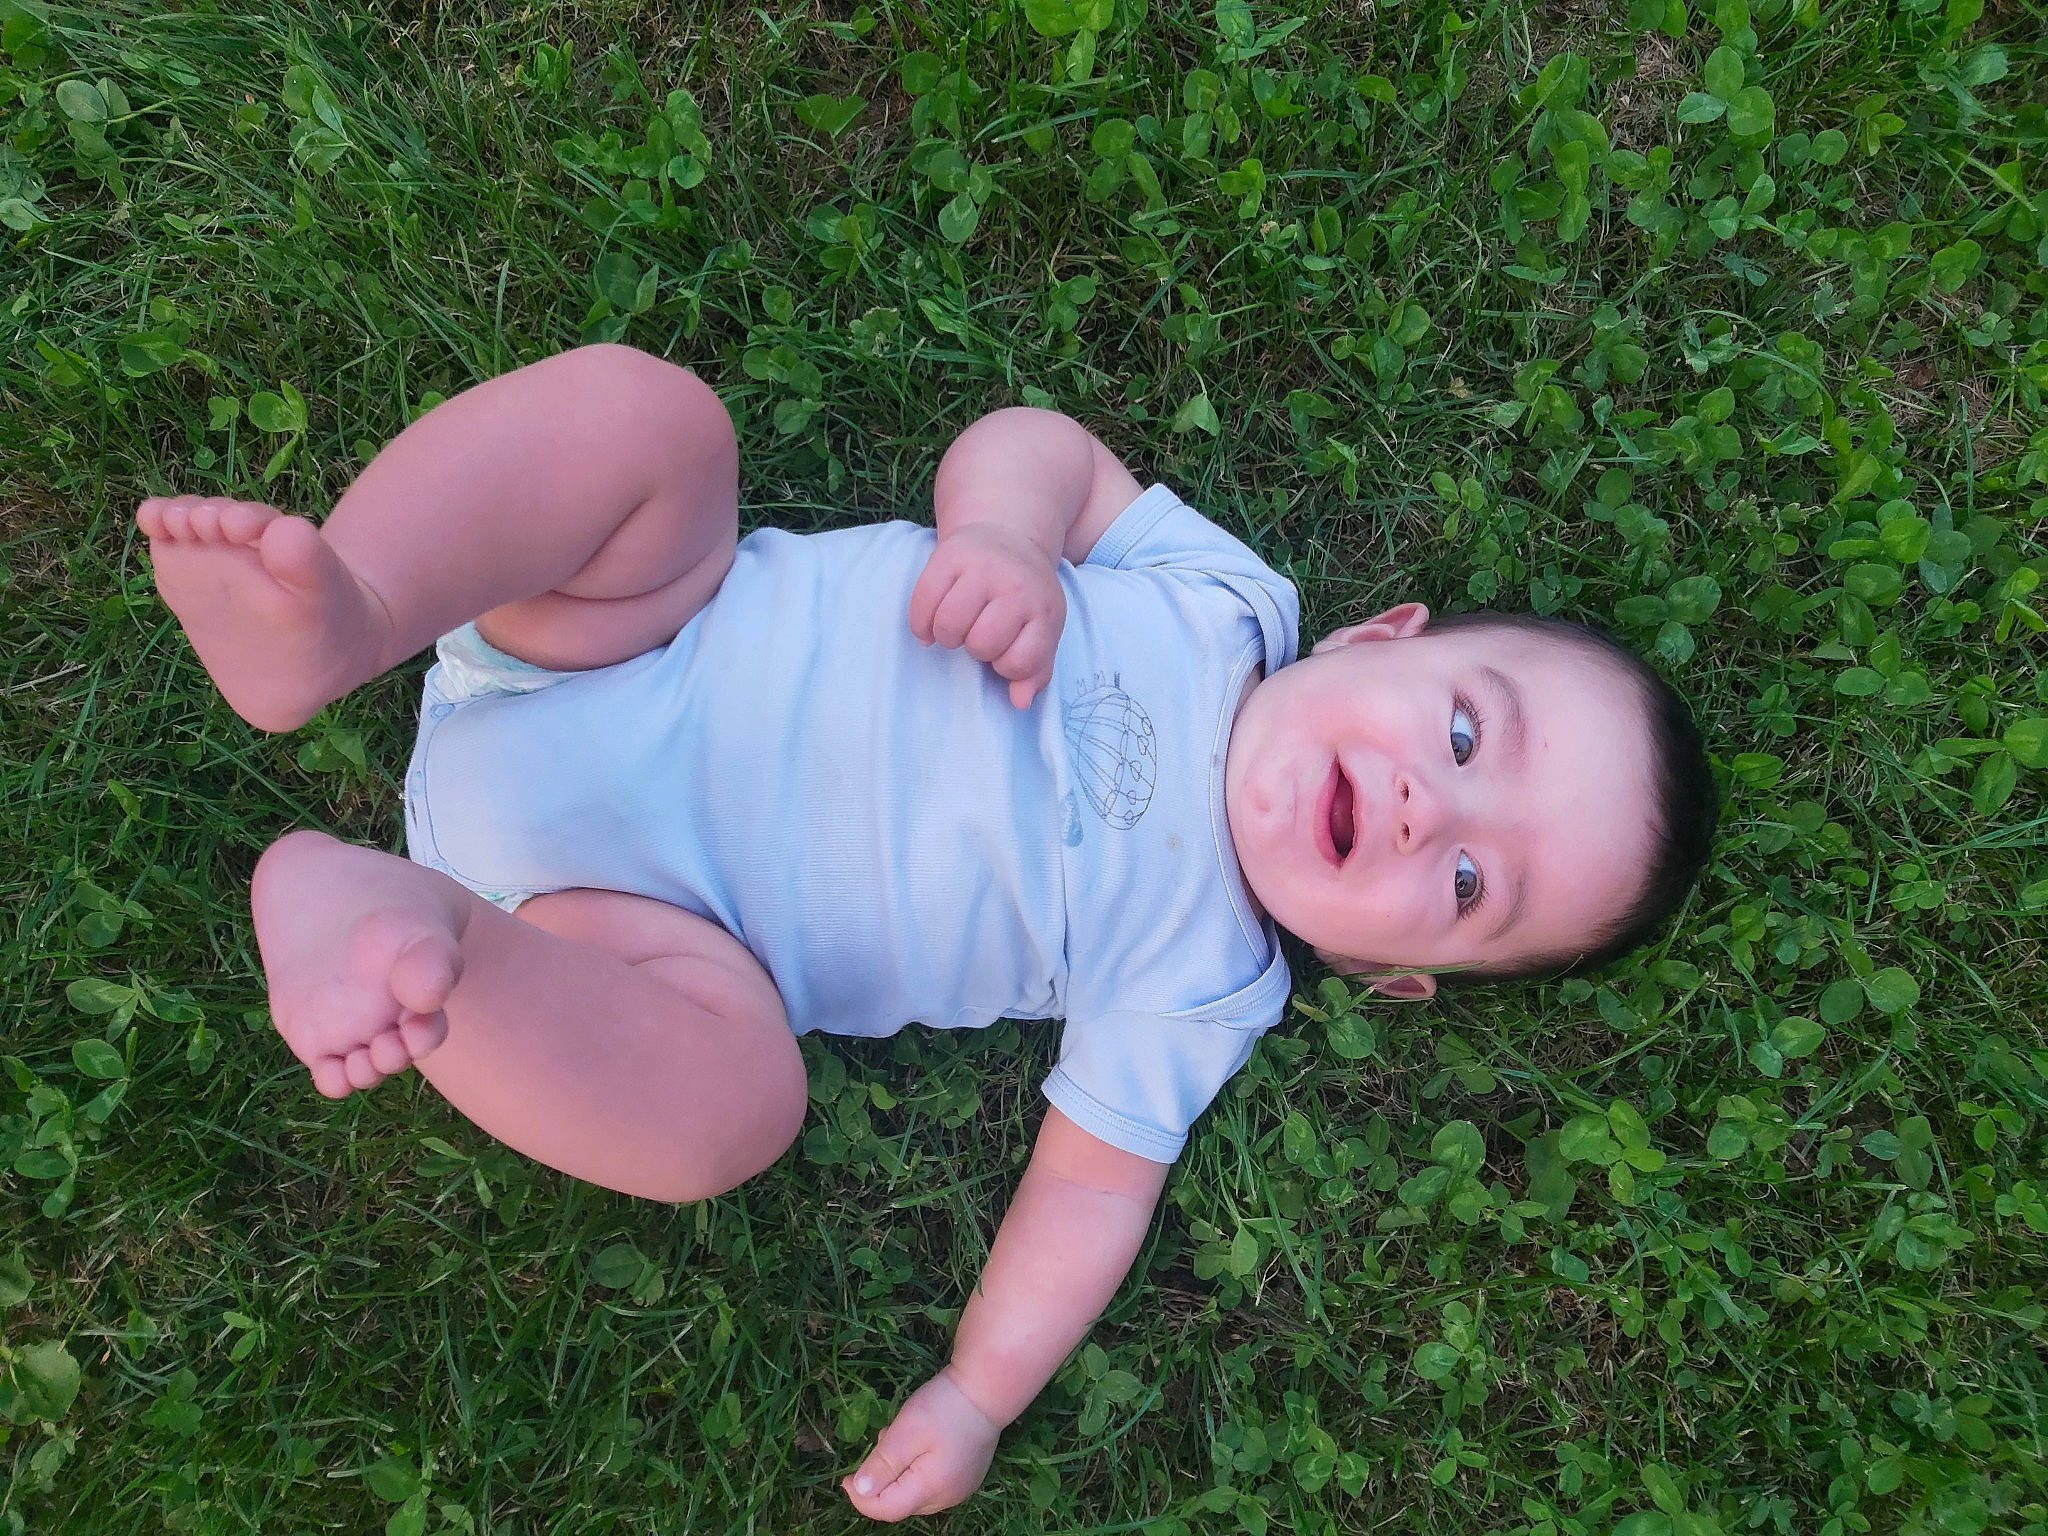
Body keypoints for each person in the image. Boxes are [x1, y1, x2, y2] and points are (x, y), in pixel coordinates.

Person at [134, 343, 1716, 1521]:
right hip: (613, 638)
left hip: (625, 931)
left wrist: (977, 1393)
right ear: (1385, 637)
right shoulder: (1223, 599)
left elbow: (1091, 1197)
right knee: (651, 424)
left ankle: (403, 929)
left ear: (1392, 975)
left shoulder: (1205, 982)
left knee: (729, 1115)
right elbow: (1037, 443)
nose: (1437, 816)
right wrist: (1010, 539)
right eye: (1461, 738)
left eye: (1465, 887)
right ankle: (347, 609)